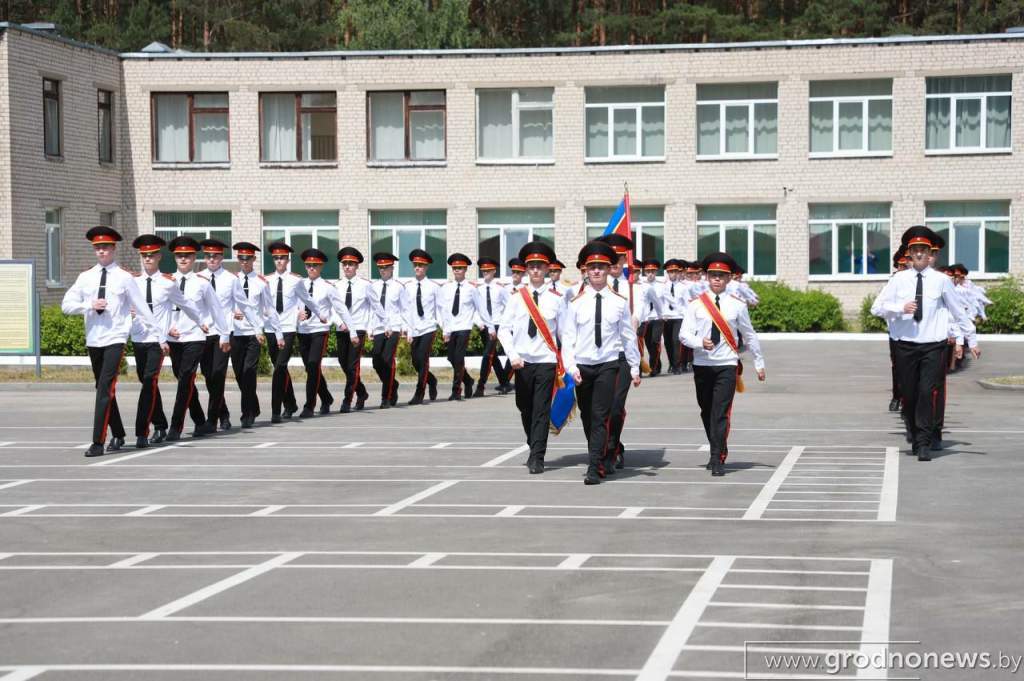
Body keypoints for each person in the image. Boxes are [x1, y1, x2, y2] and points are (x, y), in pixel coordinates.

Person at [870, 226, 980, 461]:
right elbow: (876, 308)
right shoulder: (898, 280)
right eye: (915, 250)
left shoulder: (941, 280)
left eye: (923, 250)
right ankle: (913, 428)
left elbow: (957, 311)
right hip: (905, 345)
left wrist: (971, 339)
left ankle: (923, 442)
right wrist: (900, 308)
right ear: (909, 254)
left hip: (933, 345)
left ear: (929, 253)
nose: (919, 254)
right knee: (909, 394)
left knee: (926, 391)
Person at [61, 227, 167, 457]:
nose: (101, 251)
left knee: (105, 388)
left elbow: (142, 307)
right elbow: (66, 305)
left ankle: (98, 441)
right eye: (98, 248)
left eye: (106, 247)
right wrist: (88, 305)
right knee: (102, 388)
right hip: (94, 338)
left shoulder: (124, 277)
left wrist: (159, 335)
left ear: (113, 249)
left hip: (115, 338)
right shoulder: (85, 277)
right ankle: (118, 432)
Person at [561, 241, 641, 485]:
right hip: (583, 367)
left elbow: (628, 337)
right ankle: (600, 454)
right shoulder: (575, 303)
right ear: (585, 271)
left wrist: (635, 367)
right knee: (587, 416)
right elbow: (568, 339)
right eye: (592, 267)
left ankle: (594, 466)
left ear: (609, 270)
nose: (596, 271)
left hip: (608, 364)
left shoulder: (618, 302)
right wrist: (571, 368)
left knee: (600, 415)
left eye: (601, 267)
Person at [680, 252, 766, 476]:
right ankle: (719, 445)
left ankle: (716, 456)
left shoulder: (737, 305)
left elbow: (749, 334)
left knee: (720, 412)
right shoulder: (696, 305)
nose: (717, 278)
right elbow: (684, 334)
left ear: (729, 279)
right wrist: (700, 342)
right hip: (702, 363)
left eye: (721, 275)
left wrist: (759, 362)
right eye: (713, 275)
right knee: (706, 410)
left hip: (727, 363)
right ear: (706, 277)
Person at [128, 235, 204, 449]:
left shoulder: (168, 284)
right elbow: (121, 305)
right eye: (144, 255)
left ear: (159, 257)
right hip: (138, 337)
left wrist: (202, 322)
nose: (148, 258)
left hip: (158, 340)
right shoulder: (133, 282)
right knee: (146, 383)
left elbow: (186, 304)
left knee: (151, 381)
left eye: (152, 255)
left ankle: (142, 431)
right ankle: (160, 423)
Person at [498, 242, 565, 474]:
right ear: (526, 270)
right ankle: (533, 443)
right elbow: (503, 330)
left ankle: (537, 456)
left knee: (541, 410)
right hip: (522, 361)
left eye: (540, 266)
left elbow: (564, 333)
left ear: (547, 269)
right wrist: (513, 355)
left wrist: (567, 361)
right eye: (531, 266)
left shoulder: (557, 299)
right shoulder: (517, 298)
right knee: (524, 407)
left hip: (546, 361)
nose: (536, 270)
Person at [164, 237, 232, 442]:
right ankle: (200, 420)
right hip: (174, 338)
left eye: (187, 255)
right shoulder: (166, 281)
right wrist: (165, 331)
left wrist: (224, 334)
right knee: (182, 378)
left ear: (194, 258)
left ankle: (176, 426)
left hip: (195, 336)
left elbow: (217, 311)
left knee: (186, 378)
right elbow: (160, 310)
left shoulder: (202, 283)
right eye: (179, 255)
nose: (183, 259)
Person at [198, 238, 260, 433]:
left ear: (221, 257)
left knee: (218, 375)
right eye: (208, 255)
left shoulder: (231, 279)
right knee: (208, 376)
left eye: (215, 256)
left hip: (224, 334)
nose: (211, 259)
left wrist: (257, 327)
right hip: (203, 333)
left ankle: (212, 419)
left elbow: (244, 304)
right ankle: (223, 415)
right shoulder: (198, 277)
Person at [263, 241, 326, 423]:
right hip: (270, 328)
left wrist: (320, 314)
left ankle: (276, 410)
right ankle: (290, 403)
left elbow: (307, 299)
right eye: (276, 258)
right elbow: (259, 303)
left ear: (288, 259)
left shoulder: (296, 280)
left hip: (289, 328)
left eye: (282, 258)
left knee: (280, 367)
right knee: (279, 368)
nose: (279, 261)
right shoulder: (266, 280)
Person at [296, 248, 359, 417]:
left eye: (315, 265)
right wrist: (297, 313)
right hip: (303, 330)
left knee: (313, 365)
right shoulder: (299, 285)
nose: (311, 268)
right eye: (308, 265)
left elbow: (342, 310)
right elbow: (290, 305)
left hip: (319, 330)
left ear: (321, 267)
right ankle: (326, 397)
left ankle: (309, 405)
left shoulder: (328, 287)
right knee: (311, 369)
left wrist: (352, 331)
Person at [231, 242, 283, 427]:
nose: (244, 262)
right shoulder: (232, 280)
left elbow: (269, 308)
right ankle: (253, 405)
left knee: (249, 372)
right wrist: (231, 313)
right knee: (238, 373)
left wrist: (278, 333)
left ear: (254, 259)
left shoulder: (261, 283)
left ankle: (247, 414)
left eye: (248, 258)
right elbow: (221, 305)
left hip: (254, 334)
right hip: (235, 332)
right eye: (241, 258)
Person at [333, 247, 385, 412]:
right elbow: (332, 308)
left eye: (351, 264)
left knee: (353, 366)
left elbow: (375, 306)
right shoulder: (337, 285)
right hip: (342, 329)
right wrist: (338, 322)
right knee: (343, 364)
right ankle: (361, 392)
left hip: (359, 329)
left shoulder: (365, 285)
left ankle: (347, 400)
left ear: (357, 266)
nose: (347, 267)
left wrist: (380, 326)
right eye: (345, 264)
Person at [439, 253, 489, 401]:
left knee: (459, 358)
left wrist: (486, 325)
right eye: (455, 268)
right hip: (451, 327)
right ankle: (468, 380)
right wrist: (445, 329)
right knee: (451, 358)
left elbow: (480, 308)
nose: (457, 271)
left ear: (465, 269)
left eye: (460, 268)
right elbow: (445, 311)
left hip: (464, 327)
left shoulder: (472, 289)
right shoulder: (447, 288)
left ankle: (456, 391)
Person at [369, 252, 409, 409]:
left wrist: (405, 328)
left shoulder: (399, 287)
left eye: (385, 267)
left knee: (387, 360)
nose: (382, 270)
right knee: (376, 362)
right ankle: (394, 384)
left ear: (392, 268)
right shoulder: (373, 287)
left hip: (394, 328)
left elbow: (405, 309)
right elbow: (372, 309)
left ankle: (386, 397)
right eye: (380, 267)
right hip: (378, 327)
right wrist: (370, 328)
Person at [405, 249, 443, 405]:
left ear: (426, 267)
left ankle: (419, 394)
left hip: (428, 327)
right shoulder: (408, 286)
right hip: (414, 329)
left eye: (421, 265)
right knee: (415, 361)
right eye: (415, 265)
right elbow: (406, 310)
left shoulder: (434, 287)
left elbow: (440, 308)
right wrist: (408, 330)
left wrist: (444, 328)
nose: (417, 268)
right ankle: (432, 380)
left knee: (423, 359)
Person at [474, 257, 513, 396]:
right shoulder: (478, 289)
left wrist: (506, 323)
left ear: (494, 271)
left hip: (497, 324)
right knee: (493, 356)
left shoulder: (500, 289)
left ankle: (481, 385)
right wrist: (479, 322)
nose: (485, 273)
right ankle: (504, 383)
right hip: (484, 325)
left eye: (488, 270)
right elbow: (476, 308)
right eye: (483, 271)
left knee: (487, 355)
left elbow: (510, 305)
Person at [638, 258, 665, 376]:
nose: (650, 274)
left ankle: (653, 368)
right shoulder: (641, 285)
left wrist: (664, 315)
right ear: (644, 272)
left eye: (653, 271)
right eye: (648, 271)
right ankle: (656, 364)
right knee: (648, 344)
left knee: (655, 342)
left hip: (657, 318)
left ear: (656, 272)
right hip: (646, 318)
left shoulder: (662, 286)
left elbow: (664, 302)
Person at [660, 259, 687, 375]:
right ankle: (671, 363)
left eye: (675, 271)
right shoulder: (662, 287)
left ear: (678, 272)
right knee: (668, 342)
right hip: (666, 317)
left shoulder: (683, 287)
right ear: (667, 273)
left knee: (676, 341)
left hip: (678, 317)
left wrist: (687, 317)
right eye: (670, 272)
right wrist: (661, 315)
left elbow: (686, 304)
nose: (673, 274)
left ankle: (677, 365)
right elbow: (659, 303)